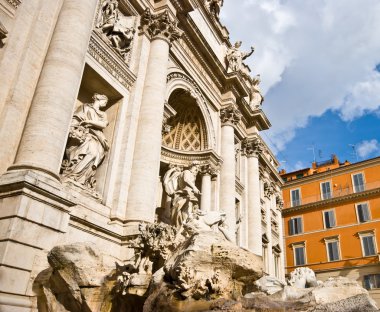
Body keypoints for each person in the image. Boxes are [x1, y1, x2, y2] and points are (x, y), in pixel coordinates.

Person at [61, 93, 109, 190]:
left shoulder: (103, 114)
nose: (105, 104)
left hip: (97, 137)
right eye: (105, 101)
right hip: (85, 135)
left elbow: (103, 124)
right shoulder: (84, 107)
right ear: (99, 99)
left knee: (94, 154)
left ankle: (81, 179)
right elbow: (75, 118)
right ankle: (73, 175)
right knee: (91, 152)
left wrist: (89, 122)